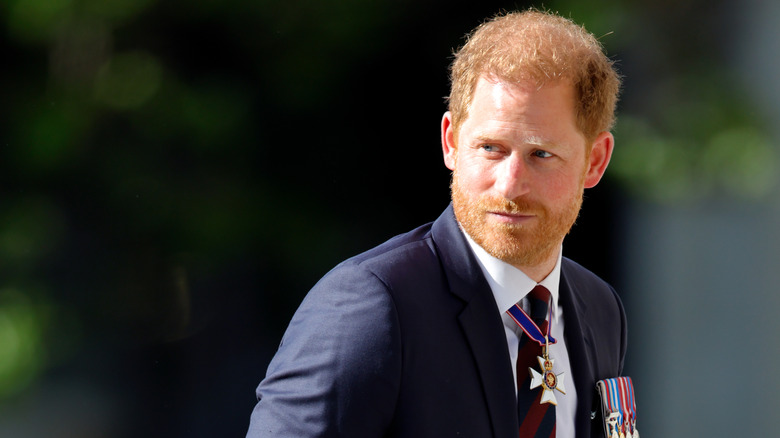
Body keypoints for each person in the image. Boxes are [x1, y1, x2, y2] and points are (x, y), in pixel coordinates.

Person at [246, 9, 626, 438]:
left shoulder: (599, 308)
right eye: (491, 148)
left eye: (541, 154)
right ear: (450, 141)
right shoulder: (374, 306)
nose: (510, 184)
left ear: (595, 160)